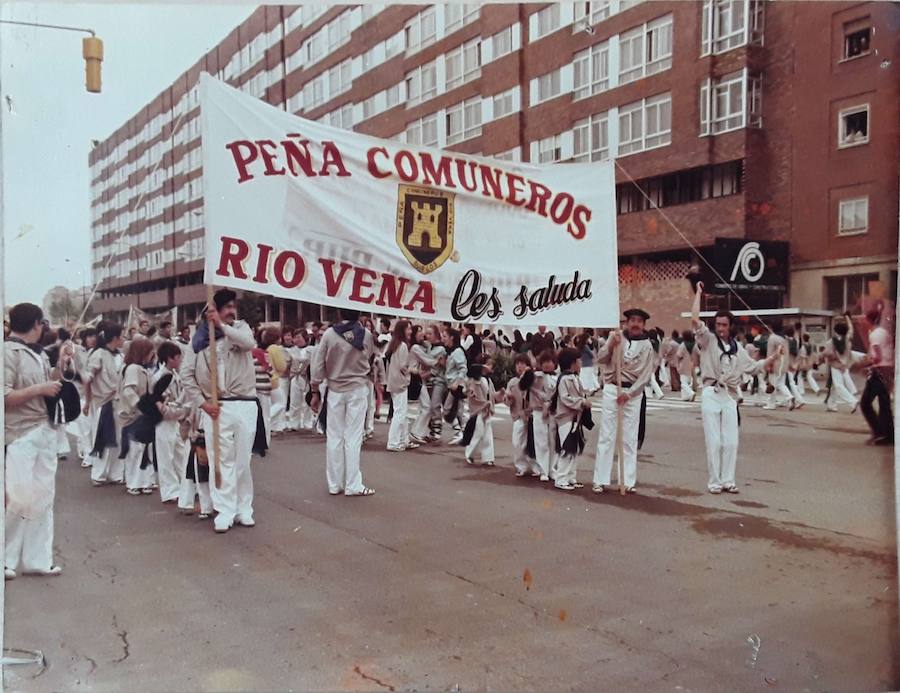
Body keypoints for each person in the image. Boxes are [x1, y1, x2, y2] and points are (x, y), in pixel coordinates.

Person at [691, 283, 781, 494]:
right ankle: (714, 481)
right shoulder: (708, 340)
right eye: (718, 324)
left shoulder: (737, 348)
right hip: (711, 392)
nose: (720, 328)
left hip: (729, 395)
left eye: (724, 324)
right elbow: (695, 320)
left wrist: (773, 358)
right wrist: (698, 293)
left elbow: (753, 367)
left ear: (730, 326)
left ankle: (728, 480)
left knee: (731, 441)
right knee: (713, 441)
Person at [183, 289, 259, 533]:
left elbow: (249, 343)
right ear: (210, 312)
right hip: (217, 407)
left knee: (242, 461)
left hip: (245, 403)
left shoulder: (241, 328)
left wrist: (224, 328)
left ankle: (243, 509)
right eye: (224, 307)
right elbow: (186, 376)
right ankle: (224, 510)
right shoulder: (198, 342)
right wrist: (203, 403)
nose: (230, 311)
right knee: (221, 460)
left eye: (231, 307)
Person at [4, 303, 66, 579]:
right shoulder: (8, 352)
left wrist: (61, 364)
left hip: (45, 429)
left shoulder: (39, 354)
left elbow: (50, 385)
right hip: (19, 433)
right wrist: (40, 388)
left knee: (43, 497)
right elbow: (5, 397)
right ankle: (6, 559)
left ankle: (37, 558)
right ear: (36, 324)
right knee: (18, 497)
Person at [309, 308, 378, 497]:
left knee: (334, 436)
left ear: (339, 313)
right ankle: (353, 483)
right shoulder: (367, 335)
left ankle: (334, 483)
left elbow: (318, 365)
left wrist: (315, 390)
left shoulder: (330, 335)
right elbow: (371, 357)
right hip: (357, 388)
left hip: (335, 389)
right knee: (353, 437)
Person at [592, 308, 656, 494]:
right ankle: (600, 479)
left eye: (639, 321)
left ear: (643, 325)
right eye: (632, 320)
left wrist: (630, 393)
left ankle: (628, 480)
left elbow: (645, 375)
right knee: (607, 435)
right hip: (613, 388)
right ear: (626, 322)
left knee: (629, 438)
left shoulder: (647, 346)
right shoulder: (617, 338)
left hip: (632, 393)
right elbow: (601, 358)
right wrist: (611, 344)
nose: (635, 324)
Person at [84, 322, 126, 487]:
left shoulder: (121, 356)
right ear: (115, 338)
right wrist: (87, 401)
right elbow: (89, 377)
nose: (123, 339)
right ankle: (98, 473)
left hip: (119, 402)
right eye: (121, 336)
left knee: (118, 438)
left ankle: (116, 474)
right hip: (103, 402)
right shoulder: (98, 354)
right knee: (102, 437)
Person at [117, 337, 159, 496]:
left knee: (143, 448)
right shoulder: (133, 369)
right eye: (149, 352)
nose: (152, 355)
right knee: (135, 450)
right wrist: (141, 406)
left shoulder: (140, 369)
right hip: (133, 415)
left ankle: (145, 481)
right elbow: (128, 391)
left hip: (140, 415)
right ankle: (134, 482)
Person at [154, 341, 191, 503]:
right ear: (170, 359)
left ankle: (187, 486)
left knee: (180, 453)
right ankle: (170, 491)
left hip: (175, 418)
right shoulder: (159, 377)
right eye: (178, 357)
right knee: (166, 456)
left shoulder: (175, 375)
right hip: (162, 420)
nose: (180, 360)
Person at [552, 348, 592, 491]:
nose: (581, 363)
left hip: (575, 418)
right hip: (566, 418)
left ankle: (570, 477)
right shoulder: (564, 379)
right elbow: (564, 398)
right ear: (572, 363)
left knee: (573, 450)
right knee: (567, 449)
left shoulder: (574, 377)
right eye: (578, 360)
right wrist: (581, 402)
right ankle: (561, 478)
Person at [859, 308, 894, 445]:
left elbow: (877, 357)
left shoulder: (875, 335)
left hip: (879, 370)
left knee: (865, 403)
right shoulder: (882, 332)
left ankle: (879, 432)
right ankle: (887, 435)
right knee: (884, 403)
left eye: (864, 319)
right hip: (887, 370)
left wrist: (865, 365)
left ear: (869, 320)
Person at [385, 319, 416, 451]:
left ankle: (404, 440)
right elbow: (404, 366)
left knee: (401, 412)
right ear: (403, 330)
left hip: (394, 381)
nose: (410, 331)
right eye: (408, 329)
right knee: (400, 413)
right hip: (400, 382)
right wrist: (412, 371)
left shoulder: (395, 344)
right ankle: (393, 442)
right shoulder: (402, 345)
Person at [507, 354, 540, 478]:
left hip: (531, 416)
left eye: (523, 364)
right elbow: (508, 400)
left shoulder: (533, 380)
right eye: (517, 364)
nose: (520, 367)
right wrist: (509, 398)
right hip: (518, 416)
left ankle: (536, 466)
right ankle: (521, 466)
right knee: (517, 442)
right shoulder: (512, 382)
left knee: (533, 442)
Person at [529, 350, 559, 483]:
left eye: (549, 362)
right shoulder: (535, 377)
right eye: (544, 362)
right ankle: (543, 469)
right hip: (539, 411)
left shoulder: (558, 377)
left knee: (553, 441)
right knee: (541, 441)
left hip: (553, 412)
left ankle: (552, 468)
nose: (547, 365)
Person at [823, 315, 859, 413]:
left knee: (838, 385)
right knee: (834, 386)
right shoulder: (848, 338)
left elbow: (826, 353)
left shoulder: (831, 341)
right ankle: (831, 405)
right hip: (845, 364)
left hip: (836, 365)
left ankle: (853, 401)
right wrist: (847, 318)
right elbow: (851, 328)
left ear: (835, 331)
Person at [442, 328, 468, 444]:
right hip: (453, 384)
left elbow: (463, 368)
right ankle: (464, 433)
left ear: (452, 337)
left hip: (457, 385)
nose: (443, 339)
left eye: (445, 336)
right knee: (458, 411)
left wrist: (457, 382)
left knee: (448, 410)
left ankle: (460, 433)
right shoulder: (452, 351)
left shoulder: (457, 351)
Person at [286, 328, 315, 431]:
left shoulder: (312, 350)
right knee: (294, 401)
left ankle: (308, 422)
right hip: (295, 377)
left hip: (307, 378)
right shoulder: (291, 351)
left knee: (307, 400)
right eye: (295, 337)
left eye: (299, 337)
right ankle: (294, 423)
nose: (297, 339)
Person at [676, 330, 697, 401]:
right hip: (692, 364)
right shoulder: (694, 344)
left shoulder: (683, 345)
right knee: (688, 381)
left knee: (683, 382)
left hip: (684, 365)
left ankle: (691, 393)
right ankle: (685, 396)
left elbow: (679, 355)